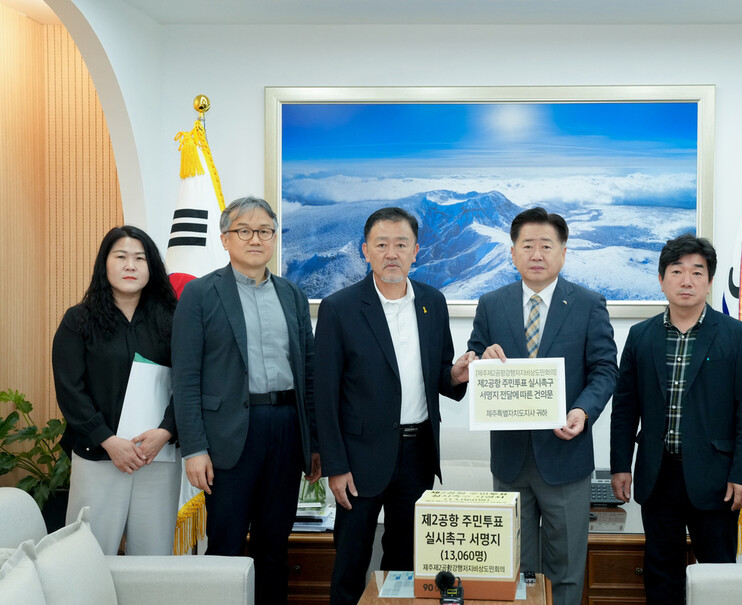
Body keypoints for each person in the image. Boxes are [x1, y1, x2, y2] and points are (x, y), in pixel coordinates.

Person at [316, 207, 475, 605]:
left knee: (405, 564)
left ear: (416, 251)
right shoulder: (340, 308)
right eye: (382, 244)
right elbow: (324, 394)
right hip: (359, 457)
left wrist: (455, 375)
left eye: (401, 244)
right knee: (351, 563)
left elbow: (438, 373)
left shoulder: (433, 302)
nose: (392, 253)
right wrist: (335, 467)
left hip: (417, 452)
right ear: (365, 251)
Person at [172, 196, 321, 603]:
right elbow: (185, 380)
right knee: (225, 542)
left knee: (275, 544)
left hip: (287, 429)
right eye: (244, 230)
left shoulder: (292, 294)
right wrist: (194, 448)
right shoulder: (200, 295)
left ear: (274, 239)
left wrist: (314, 445)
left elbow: (308, 373)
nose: (255, 239)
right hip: (227, 437)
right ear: (225, 238)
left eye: (265, 231)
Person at [467, 206, 618, 605]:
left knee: (566, 571)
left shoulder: (588, 304)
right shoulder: (491, 303)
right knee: (515, 570)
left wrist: (582, 412)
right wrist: (479, 359)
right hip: (510, 461)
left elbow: (604, 370)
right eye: (527, 245)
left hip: (565, 459)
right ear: (512, 253)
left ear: (563, 253)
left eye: (546, 246)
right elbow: (474, 355)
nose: (537, 254)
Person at [609, 234, 742, 605]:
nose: (686, 280)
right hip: (658, 473)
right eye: (677, 271)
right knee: (661, 567)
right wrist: (620, 466)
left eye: (697, 272)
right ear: (662, 279)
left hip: (717, 477)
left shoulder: (737, 336)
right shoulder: (640, 336)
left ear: (709, 281)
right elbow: (625, 406)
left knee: (718, 571)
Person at [52, 225, 180, 555]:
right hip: (99, 457)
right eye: (120, 256)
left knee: (153, 559)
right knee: (88, 557)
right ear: (104, 264)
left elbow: (188, 383)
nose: (130, 265)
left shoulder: (173, 321)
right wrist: (108, 440)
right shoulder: (78, 320)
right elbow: (70, 389)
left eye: (140, 258)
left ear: (151, 267)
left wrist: (166, 431)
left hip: (157, 457)